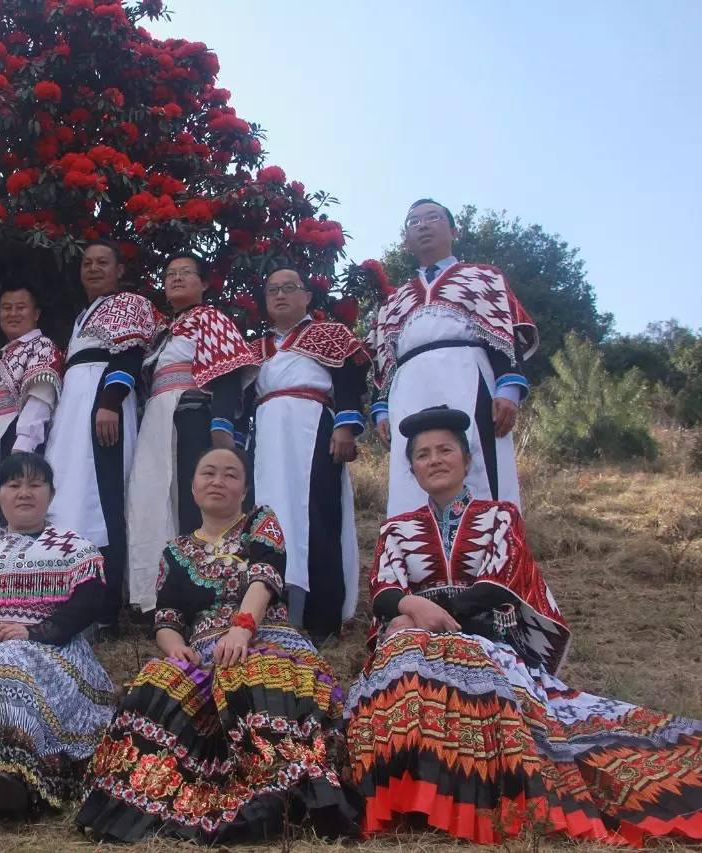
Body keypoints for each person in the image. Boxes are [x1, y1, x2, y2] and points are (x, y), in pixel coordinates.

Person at [346, 405, 702, 845]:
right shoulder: (395, 530)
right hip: (412, 638)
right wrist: (411, 611)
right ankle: (408, 792)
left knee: (421, 648)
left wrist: (422, 612)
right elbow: (383, 591)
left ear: (466, 459)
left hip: (484, 639)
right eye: (422, 455)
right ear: (413, 470)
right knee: (401, 652)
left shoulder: (499, 517)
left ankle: (454, 795)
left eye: (444, 450)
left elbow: (497, 586)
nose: (434, 460)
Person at [77, 447, 356, 843]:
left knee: (254, 670)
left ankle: (280, 789)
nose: (218, 481)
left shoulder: (261, 522)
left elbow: (265, 576)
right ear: (193, 487)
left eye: (230, 475)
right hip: (204, 654)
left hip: (266, 636)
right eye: (208, 473)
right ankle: (143, 800)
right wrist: (176, 649)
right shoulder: (174, 552)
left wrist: (242, 629)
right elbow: (167, 618)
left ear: (243, 488)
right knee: (158, 678)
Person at [0, 453, 112, 816]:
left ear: (50, 493)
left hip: (51, 647)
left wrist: (33, 632)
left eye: (35, 485)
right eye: (14, 485)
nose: (24, 493)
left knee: (9, 657)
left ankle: (12, 774)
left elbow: (87, 605)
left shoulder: (75, 548)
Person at [368, 199, 537, 516]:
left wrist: (508, 389)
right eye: (413, 222)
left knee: (479, 469)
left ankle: (489, 557)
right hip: (408, 389)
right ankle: (418, 559)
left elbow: (503, 333)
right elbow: (383, 361)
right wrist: (381, 409)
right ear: (405, 239)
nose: (423, 225)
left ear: (453, 230)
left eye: (432, 217)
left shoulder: (484, 277)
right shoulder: (393, 300)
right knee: (411, 472)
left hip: (468, 377)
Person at [125, 254, 256, 614]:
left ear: (203, 284)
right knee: (150, 499)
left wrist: (221, 424)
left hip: (191, 414)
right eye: (170, 274)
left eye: (185, 273)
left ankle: (205, 596)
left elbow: (228, 372)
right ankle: (160, 597)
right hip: (156, 418)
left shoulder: (210, 318)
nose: (176, 279)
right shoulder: (162, 332)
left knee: (191, 501)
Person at [248, 266, 370, 641]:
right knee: (266, 519)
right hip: (266, 435)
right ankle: (269, 610)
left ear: (307, 297)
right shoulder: (254, 348)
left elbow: (350, 380)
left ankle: (322, 618)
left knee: (317, 514)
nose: (280, 295)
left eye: (289, 287)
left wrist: (345, 425)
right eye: (272, 290)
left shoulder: (329, 335)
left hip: (313, 426)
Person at [45, 241, 162, 626]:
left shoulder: (129, 303)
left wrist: (110, 402)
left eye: (103, 263)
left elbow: (129, 354)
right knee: (66, 490)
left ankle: (105, 607)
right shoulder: (83, 315)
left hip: (102, 400)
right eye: (87, 263)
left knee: (103, 494)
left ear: (119, 270)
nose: (93, 269)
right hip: (74, 404)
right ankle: (64, 594)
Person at [0, 285, 63, 543]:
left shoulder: (42, 345)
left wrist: (23, 445)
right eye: (7, 308)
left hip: (16, 435)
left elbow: (40, 397)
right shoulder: (5, 353)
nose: (13, 313)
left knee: (17, 506)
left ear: (36, 314)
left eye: (20, 307)